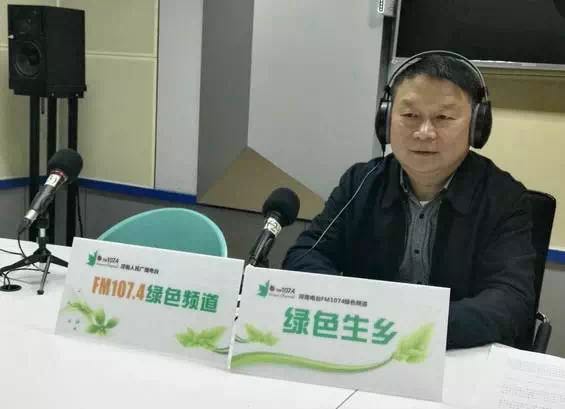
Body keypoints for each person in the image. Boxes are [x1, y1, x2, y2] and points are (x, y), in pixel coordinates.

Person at [282, 51, 535, 350]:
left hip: (455, 355)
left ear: (476, 127)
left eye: (443, 118)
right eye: (410, 116)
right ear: (386, 119)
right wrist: (353, 310)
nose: (424, 132)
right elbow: (304, 257)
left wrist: (412, 325)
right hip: (365, 346)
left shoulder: (505, 198)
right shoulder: (361, 183)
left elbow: (510, 301)